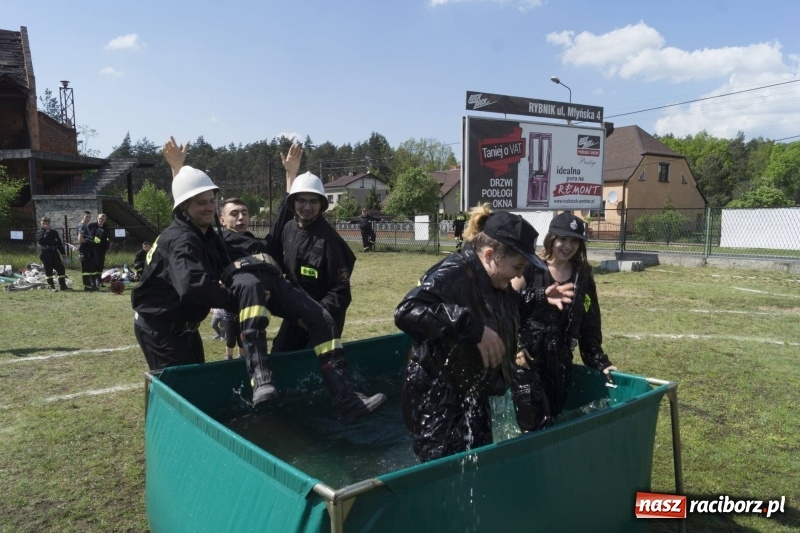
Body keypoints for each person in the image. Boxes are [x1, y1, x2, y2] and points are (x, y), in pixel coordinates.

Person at [164, 142, 386, 421]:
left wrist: (291, 175)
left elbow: (285, 213)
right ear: (221, 219)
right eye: (233, 214)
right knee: (253, 295)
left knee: (323, 319)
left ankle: (346, 400)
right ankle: (261, 381)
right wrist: (177, 170)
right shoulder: (214, 239)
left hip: (275, 283)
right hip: (247, 283)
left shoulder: (263, 242)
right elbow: (187, 211)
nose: (241, 218)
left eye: (244, 213)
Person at [395, 204, 574, 462]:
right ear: (489, 255)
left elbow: (509, 307)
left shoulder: (495, 280)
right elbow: (406, 311)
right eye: (517, 267)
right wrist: (473, 328)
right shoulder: (453, 273)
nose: (519, 274)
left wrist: (539, 297)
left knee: (479, 462)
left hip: (472, 392)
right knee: (444, 471)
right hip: (436, 399)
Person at [132, 138, 235, 371]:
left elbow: (227, 263)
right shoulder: (182, 240)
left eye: (212, 201)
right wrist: (237, 299)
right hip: (162, 330)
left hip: (184, 327)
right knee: (180, 390)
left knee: (196, 383)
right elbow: (193, 286)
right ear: (185, 207)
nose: (209, 207)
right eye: (201, 203)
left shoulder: (202, 233)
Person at [510, 212, 617, 432]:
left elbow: (589, 321)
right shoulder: (530, 267)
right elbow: (507, 306)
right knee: (534, 425)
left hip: (561, 360)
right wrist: (516, 346)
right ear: (551, 238)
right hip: (527, 360)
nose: (568, 246)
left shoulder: (582, 275)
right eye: (563, 239)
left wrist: (598, 360)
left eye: (575, 241)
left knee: (554, 419)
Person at [270, 144, 357, 346]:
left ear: (321, 204)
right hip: (296, 315)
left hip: (323, 319)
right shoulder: (288, 230)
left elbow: (340, 293)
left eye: (313, 201)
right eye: (301, 201)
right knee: (280, 355)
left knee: (315, 364)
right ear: (293, 202)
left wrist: (313, 315)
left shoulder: (330, 241)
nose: (307, 207)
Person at [36, 216, 71, 292]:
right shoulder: (39, 232)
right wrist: (46, 232)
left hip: (54, 252)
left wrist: (63, 253)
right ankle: (51, 286)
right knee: (49, 269)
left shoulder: (54, 233)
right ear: (41, 223)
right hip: (45, 253)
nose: (44, 225)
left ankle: (63, 285)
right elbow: (41, 241)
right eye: (43, 223)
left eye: (46, 223)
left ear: (49, 224)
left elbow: (59, 243)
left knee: (61, 268)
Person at [87, 213, 111, 288]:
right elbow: (88, 235)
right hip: (93, 249)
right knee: (94, 265)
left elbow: (108, 238)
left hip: (102, 249)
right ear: (97, 218)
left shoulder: (106, 227)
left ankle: (99, 281)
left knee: (100, 265)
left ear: (105, 220)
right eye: (100, 218)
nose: (101, 220)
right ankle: (93, 281)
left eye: (103, 219)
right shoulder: (91, 225)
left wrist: (106, 246)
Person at [77, 210, 97, 291]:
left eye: (89, 217)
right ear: (83, 217)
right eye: (86, 217)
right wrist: (88, 241)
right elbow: (80, 239)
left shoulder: (86, 226)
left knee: (89, 266)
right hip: (84, 248)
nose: (88, 218)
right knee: (85, 268)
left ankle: (90, 284)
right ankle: (87, 286)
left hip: (89, 248)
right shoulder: (82, 226)